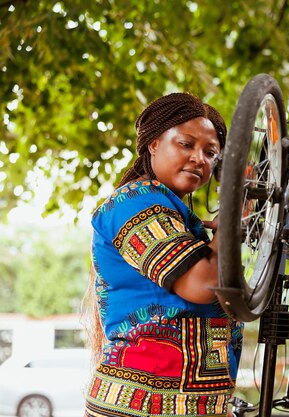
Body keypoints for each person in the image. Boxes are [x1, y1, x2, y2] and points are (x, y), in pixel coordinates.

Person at [82, 92, 242, 417]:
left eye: (211, 153)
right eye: (186, 144)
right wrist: (230, 225)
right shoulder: (134, 204)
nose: (200, 158)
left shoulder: (181, 218)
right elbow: (201, 285)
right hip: (143, 405)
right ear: (154, 144)